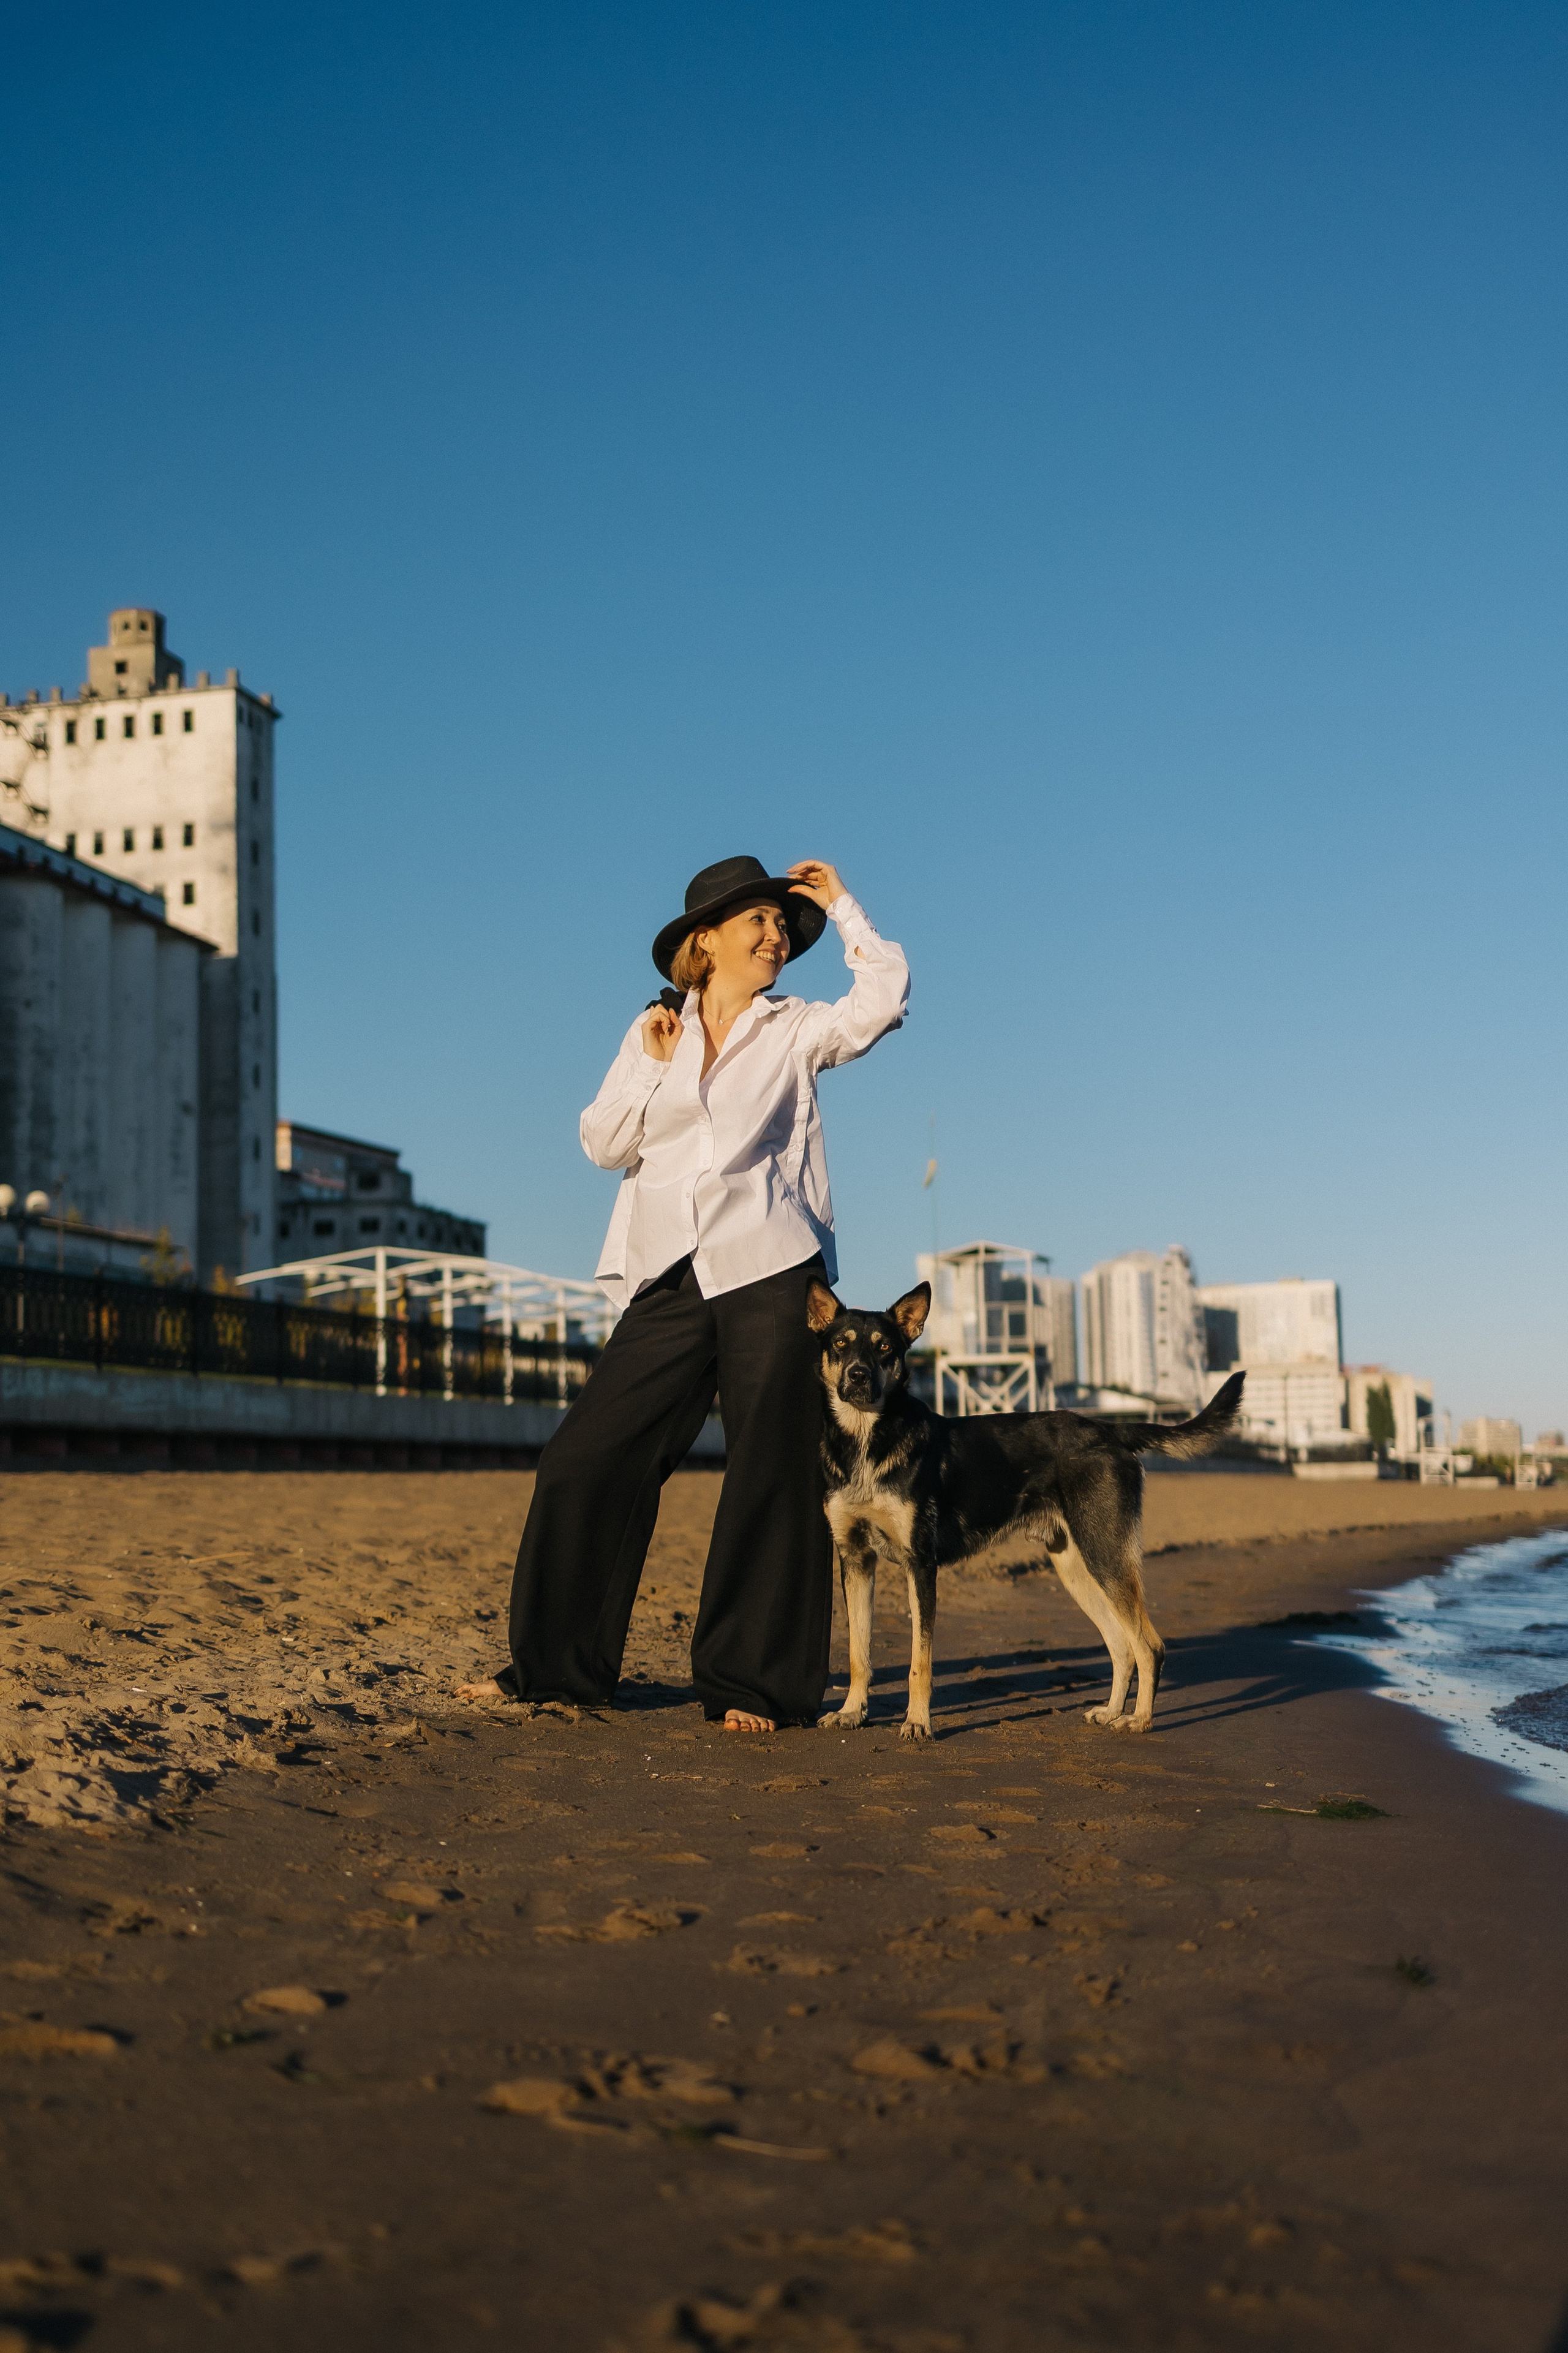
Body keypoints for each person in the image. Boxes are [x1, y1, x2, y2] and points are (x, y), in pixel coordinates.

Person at [457, 854, 908, 1732]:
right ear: (705, 941)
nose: (777, 934)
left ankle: (753, 1686)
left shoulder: (797, 1028)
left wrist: (844, 907)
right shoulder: (654, 1029)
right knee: (587, 1456)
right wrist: (648, 1065)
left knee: (770, 1473)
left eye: (784, 924)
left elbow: (883, 1000)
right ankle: (558, 1669)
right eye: (760, 922)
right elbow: (602, 1142)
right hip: (669, 1269)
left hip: (772, 1266)